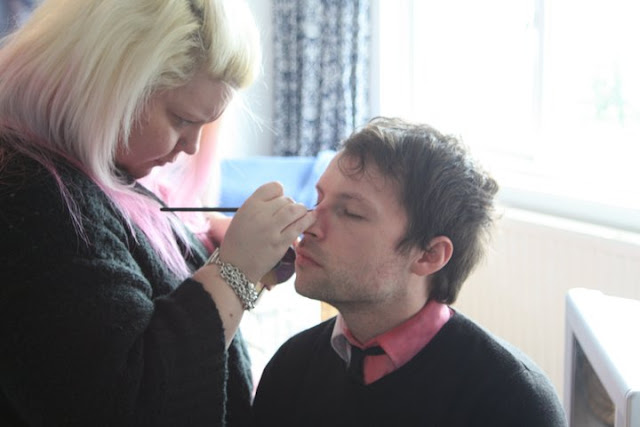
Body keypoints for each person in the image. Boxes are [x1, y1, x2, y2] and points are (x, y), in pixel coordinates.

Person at [0, 0, 315, 425]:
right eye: (181, 119)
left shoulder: (96, 175)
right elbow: (128, 401)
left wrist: (202, 245)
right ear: (109, 86)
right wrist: (233, 272)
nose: (191, 147)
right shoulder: (29, 199)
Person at [252, 117, 568, 426]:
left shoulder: (514, 403)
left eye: (350, 213)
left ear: (429, 255)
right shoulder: (292, 366)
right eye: (318, 199)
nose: (307, 223)